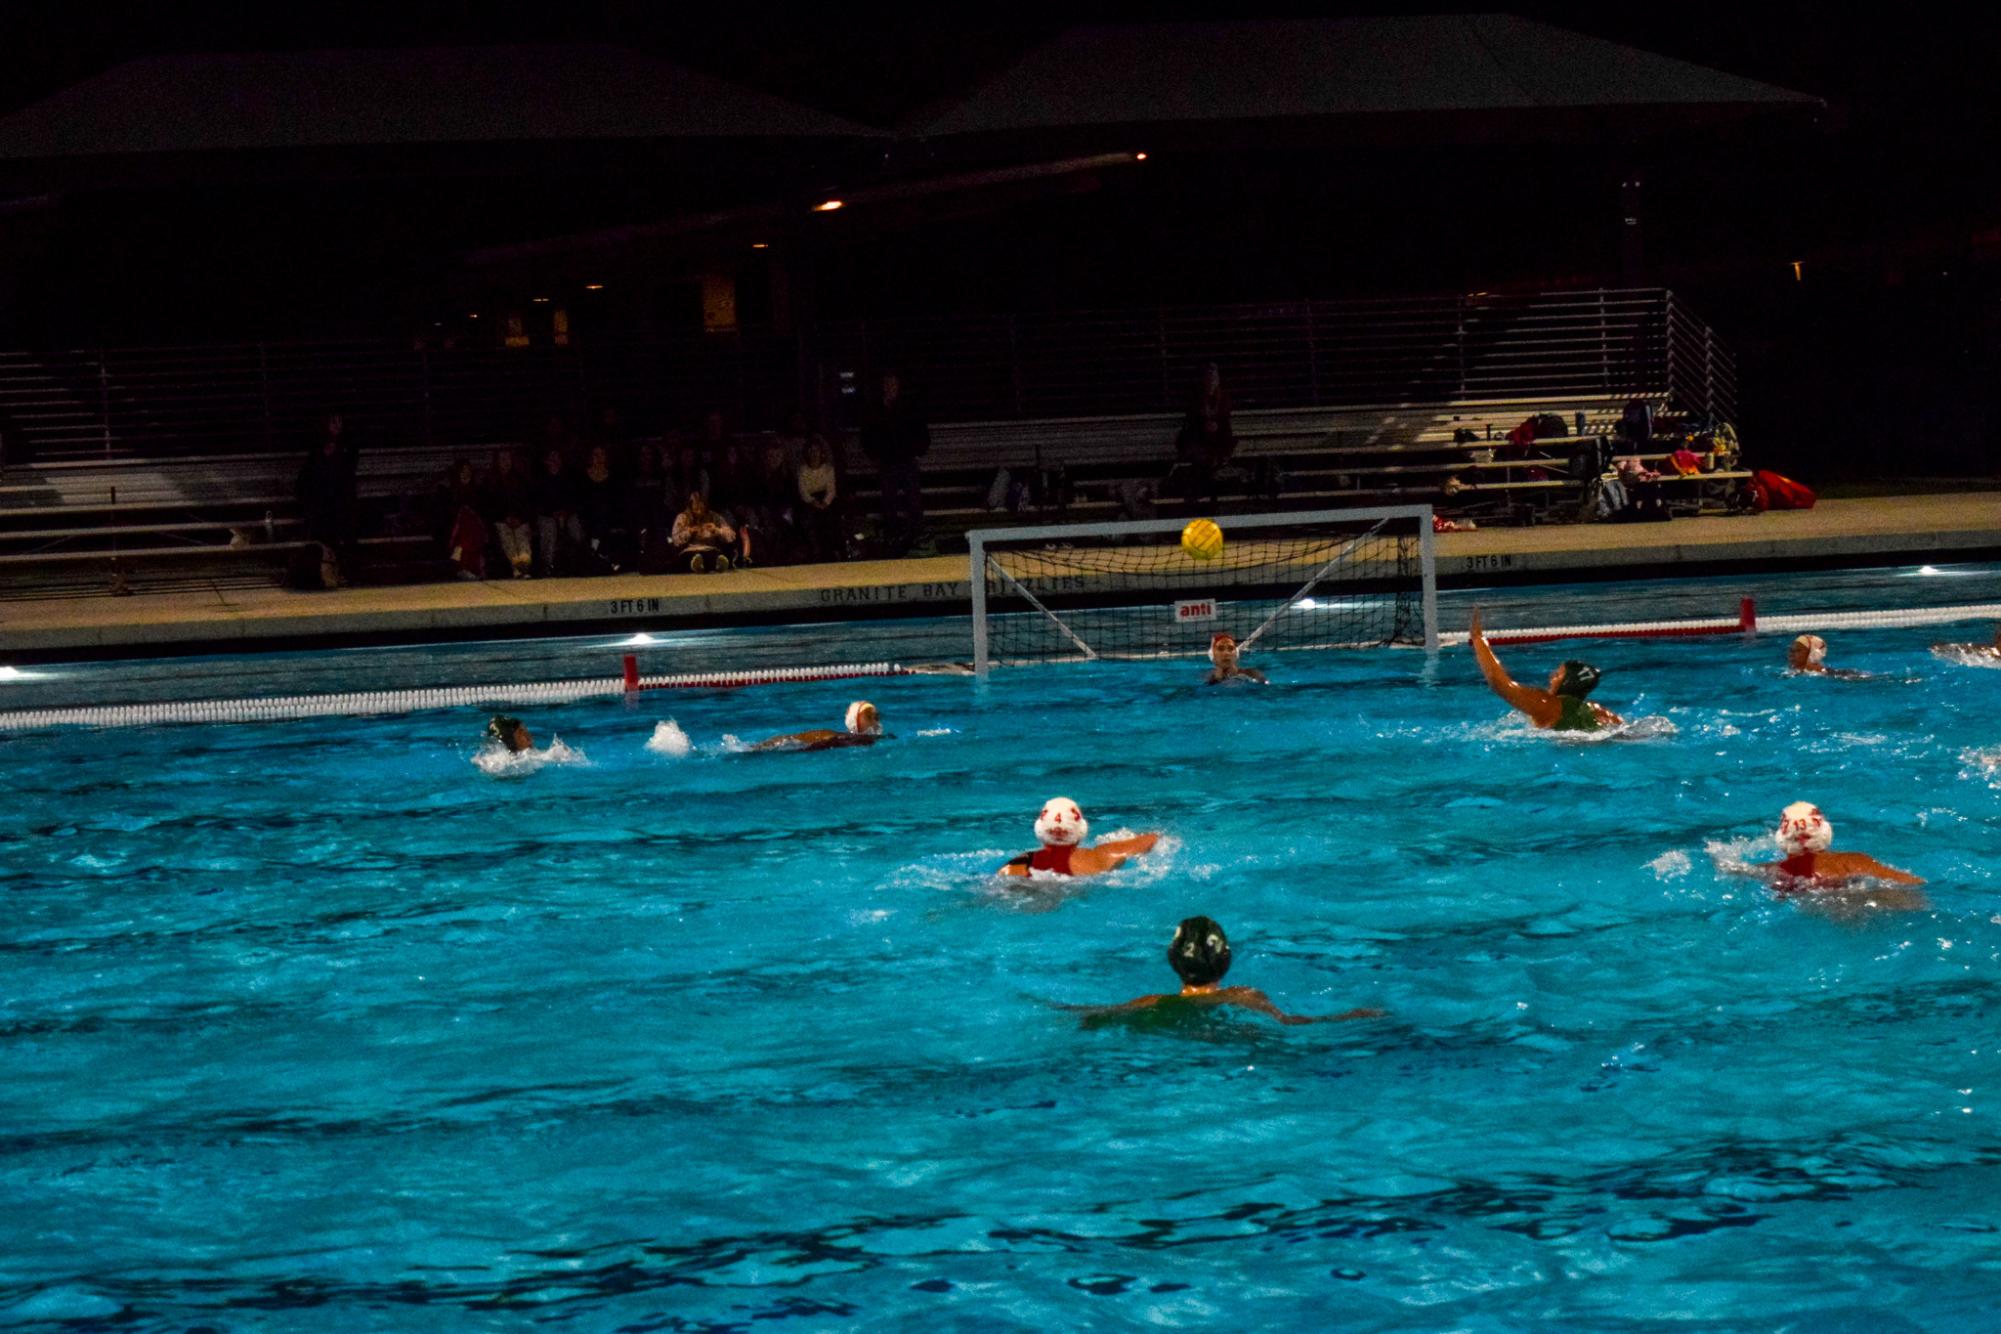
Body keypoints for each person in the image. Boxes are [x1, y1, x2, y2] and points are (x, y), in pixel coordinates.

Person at [1077, 916, 1383, 1028]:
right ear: (1226, 961)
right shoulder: (1243, 997)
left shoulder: (1148, 1003)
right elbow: (1290, 1023)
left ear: (1173, 961)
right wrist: (1347, 1017)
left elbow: (1096, 1015)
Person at [1468, 607, 1624, 732]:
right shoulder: (1599, 711)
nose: (1551, 677)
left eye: (1558, 674)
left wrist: (1478, 639)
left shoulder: (1548, 705)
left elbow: (1498, 683)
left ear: (1567, 683)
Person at [1758, 802, 1924, 889]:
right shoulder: (1853, 860)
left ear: (1781, 840)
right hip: (1861, 896)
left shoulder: (1772, 870)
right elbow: (1913, 882)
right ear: (1826, 833)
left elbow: (1735, 868)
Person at [999, 798, 1160, 878]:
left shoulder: (1016, 868)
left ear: (1040, 830)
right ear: (1081, 830)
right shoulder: (1103, 856)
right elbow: (1152, 839)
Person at [860, 371, 930, 554]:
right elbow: (867, 434)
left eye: (893, 385)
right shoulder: (875, 409)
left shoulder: (908, 407)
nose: (889, 388)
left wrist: (918, 452)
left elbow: (920, 429)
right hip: (886, 461)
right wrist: (873, 454)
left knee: (913, 500)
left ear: (898, 387)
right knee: (888, 500)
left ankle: (917, 534)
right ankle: (893, 536)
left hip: (906, 459)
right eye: (886, 385)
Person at [296, 411, 358, 585]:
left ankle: (348, 572)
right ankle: (330, 572)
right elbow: (311, 475)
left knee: (346, 533)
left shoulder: (347, 445)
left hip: (341, 499)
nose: (337, 426)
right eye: (333, 422)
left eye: (339, 422)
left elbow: (349, 469)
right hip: (325, 501)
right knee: (328, 534)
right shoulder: (318, 446)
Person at [1171, 362, 1235, 515]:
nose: (1212, 381)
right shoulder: (1196, 400)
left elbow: (1225, 424)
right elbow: (1191, 425)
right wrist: (1204, 425)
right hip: (1199, 443)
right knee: (1201, 466)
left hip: (1216, 444)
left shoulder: (1223, 399)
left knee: (1214, 466)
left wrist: (1216, 427)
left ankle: (1212, 499)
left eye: (1214, 377)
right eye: (1209, 377)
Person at [482, 447, 536, 578]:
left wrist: (520, 518)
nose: (505, 462)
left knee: (521, 535)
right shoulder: (490, 482)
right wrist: (504, 518)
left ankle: (524, 566)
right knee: (506, 536)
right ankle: (516, 568)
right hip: (500, 520)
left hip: (519, 519)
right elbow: (489, 506)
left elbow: (527, 503)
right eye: (502, 459)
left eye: (508, 458)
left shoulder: (521, 480)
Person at [752, 701, 883, 752]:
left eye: (878, 717)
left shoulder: (853, 739)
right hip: (809, 742)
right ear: (858, 721)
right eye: (873, 717)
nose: (877, 722)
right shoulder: (846, 738)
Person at [534, 447, 584, 576]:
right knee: (548, 529)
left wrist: (566, 512)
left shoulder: (569, 477)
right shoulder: (540, 479)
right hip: (547, 515)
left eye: (557, 458)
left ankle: (577, 563)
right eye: (551, 458)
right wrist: (552, 513)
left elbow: (575, 499)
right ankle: (547, 566)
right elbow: (538, 503)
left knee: (576, 527)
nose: (554, 461)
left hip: (567, 514)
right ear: (546, 461)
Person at [669, 490, 741, 573]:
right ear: (690, 506)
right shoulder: (682, 518)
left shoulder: (714, 517)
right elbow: (675, 540)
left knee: (713, 555)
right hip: (690, 550)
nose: (699, 512)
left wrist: (717, 530)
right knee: (691, 557)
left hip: (710, 549)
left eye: (701, 508)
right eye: (696, 509)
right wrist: (689, 531)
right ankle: (697, 565)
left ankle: (716, 564)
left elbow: (731, 536)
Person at [796, 435, 842, 562]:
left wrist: (825, 503)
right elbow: (803, 491)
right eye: (811, 450)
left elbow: (831, 489)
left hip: (826, 499)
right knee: (808, 519)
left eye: (816, 450)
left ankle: (833, 549)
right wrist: (813, 502)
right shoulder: (802, 470)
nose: (814, 454)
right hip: (809, 500)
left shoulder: (828, 468)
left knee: (830, 518)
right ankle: (813, 549)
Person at [1786, 634, 1869, 679]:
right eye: (1790, 650)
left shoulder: (1840, 676)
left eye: (1797, 650)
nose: (1791, 654)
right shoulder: (1794, 674)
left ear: (1811, 654)